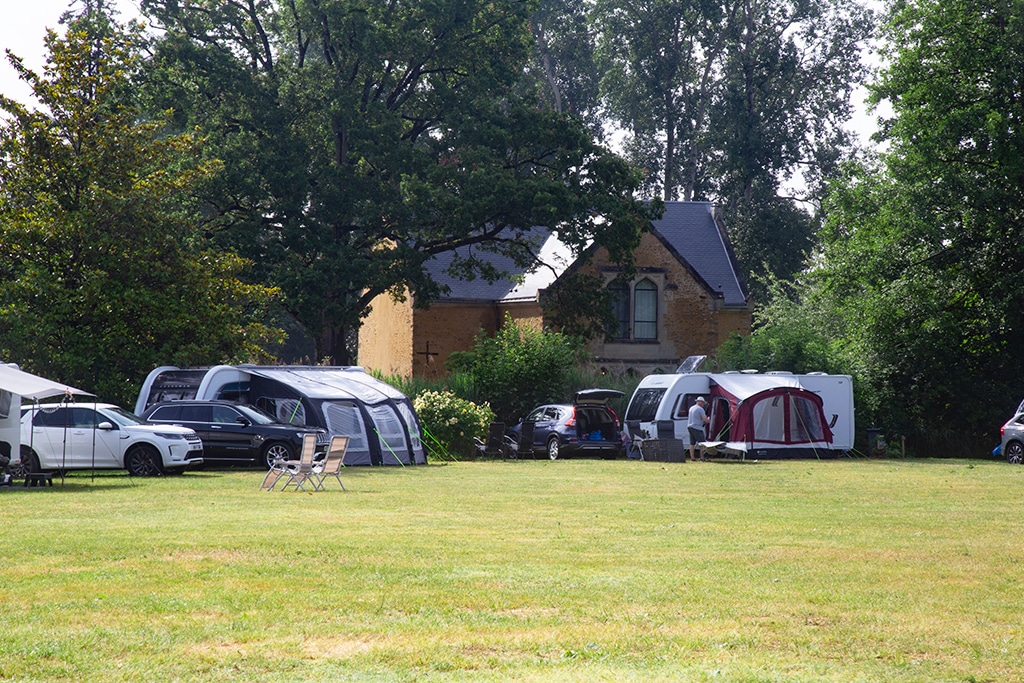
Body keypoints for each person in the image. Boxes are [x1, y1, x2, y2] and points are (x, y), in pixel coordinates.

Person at [687, 396, 710, 461]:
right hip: (697, 427)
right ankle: (702, 457)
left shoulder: (691, 408)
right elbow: (705, 419)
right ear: (700, 402)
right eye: (703, 403)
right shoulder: (700, 409)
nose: (703, 405)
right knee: (702, 443)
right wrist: (708, 420)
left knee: (692, 443)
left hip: (690, 426)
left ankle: (692, 457)